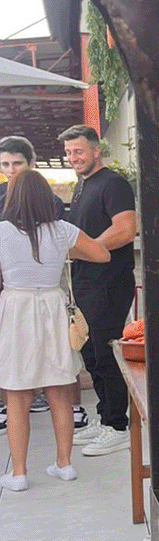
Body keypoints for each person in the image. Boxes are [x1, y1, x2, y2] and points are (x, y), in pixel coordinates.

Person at [0, 170, 109, 490]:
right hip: (52, 306)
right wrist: (62, 254)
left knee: (16, 394)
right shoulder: (62, 230)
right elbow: (101, 254)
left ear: (13, 198)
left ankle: (18, 473)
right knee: (59, 390)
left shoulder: (2, 232)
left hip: (16, 309)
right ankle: (64, 464)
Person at [60, 124, 137, 456]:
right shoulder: (82, 186)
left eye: (78, 151)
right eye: (68, 153)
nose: (73, 158)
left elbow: (125, 230)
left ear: (95, 150)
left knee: (107, 354)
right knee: (90, 353)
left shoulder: (114, 184)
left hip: (109, 283)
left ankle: (119, 426)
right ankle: (106, 419)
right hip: (86, 283)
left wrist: (87, 250)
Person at [0, 136, 84, 431]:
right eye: (5, 164)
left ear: (31, 163)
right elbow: (94, 251)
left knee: (20, 388)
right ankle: (64, 464)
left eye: (17, 163)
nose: (11, 170)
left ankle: (20, 472)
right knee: (53, 381)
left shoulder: (51, 208)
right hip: (41, 296)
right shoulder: (58, 223)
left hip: (19, 297)